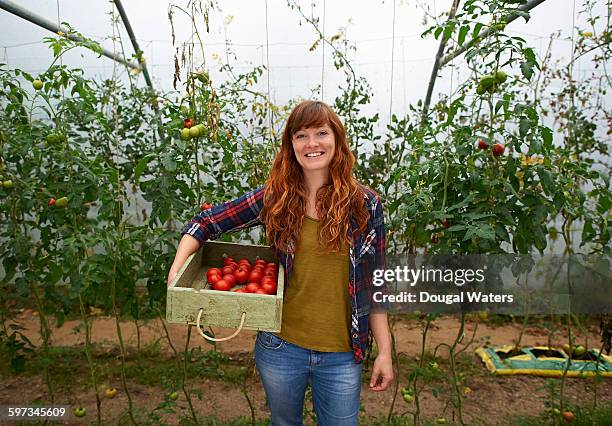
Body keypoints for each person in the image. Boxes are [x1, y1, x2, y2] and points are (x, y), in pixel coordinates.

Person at [167, 100, 393, 425]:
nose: (312, 143)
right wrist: (178, 267)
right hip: (281, 347)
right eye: (301, 135)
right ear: (291, 145)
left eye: (321, 133)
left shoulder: (364, 206)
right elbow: (206, 222)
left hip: (343, 352)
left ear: (337, 140)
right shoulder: (278, 197)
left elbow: (376, 284)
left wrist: (384, 351)